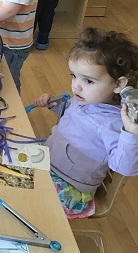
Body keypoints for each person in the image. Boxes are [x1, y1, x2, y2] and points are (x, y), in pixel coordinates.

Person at [33, 27, 138, 219]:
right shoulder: (88, 98)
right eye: (74, 76)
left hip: (69, 187)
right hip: (48, 162)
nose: (76, 86)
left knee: (23, 203)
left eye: (88, 81)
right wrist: (54, 104)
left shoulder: (114, 124)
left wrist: (130, 134)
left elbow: (126, 167)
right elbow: (74, 118)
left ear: (118, 84)